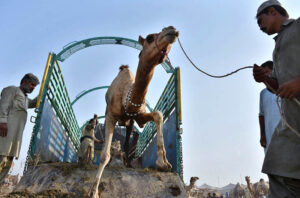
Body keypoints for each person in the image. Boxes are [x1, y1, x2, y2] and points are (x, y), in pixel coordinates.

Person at [253, 0, 300, 197]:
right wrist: (265, 80)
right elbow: (278, 87)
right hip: (292, 122)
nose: (260, 27)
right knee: (277, 167)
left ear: (272, 11)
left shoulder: (298, 27)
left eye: (260, 21)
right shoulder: (277, 47)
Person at [0, 73, 39, 183]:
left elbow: (33, 103)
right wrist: (2, 121)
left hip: (15, 136)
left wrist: (43, 92)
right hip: (5, 132)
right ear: (23, 82)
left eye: (35, 86)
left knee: (7, 163)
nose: (33, 88)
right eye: (32, 85)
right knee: (2, 157)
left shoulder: (25, 98)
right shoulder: (12, 90)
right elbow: (3, 105)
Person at [257, 61, 281, 153]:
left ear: (274, 72)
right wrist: (262, 134)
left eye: (266, 72)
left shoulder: (284, 89)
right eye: (262, 73)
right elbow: (261, 115)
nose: (264, 76)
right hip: (270, 135)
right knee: (272, 163)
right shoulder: (263, 94)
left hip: (286, 133)